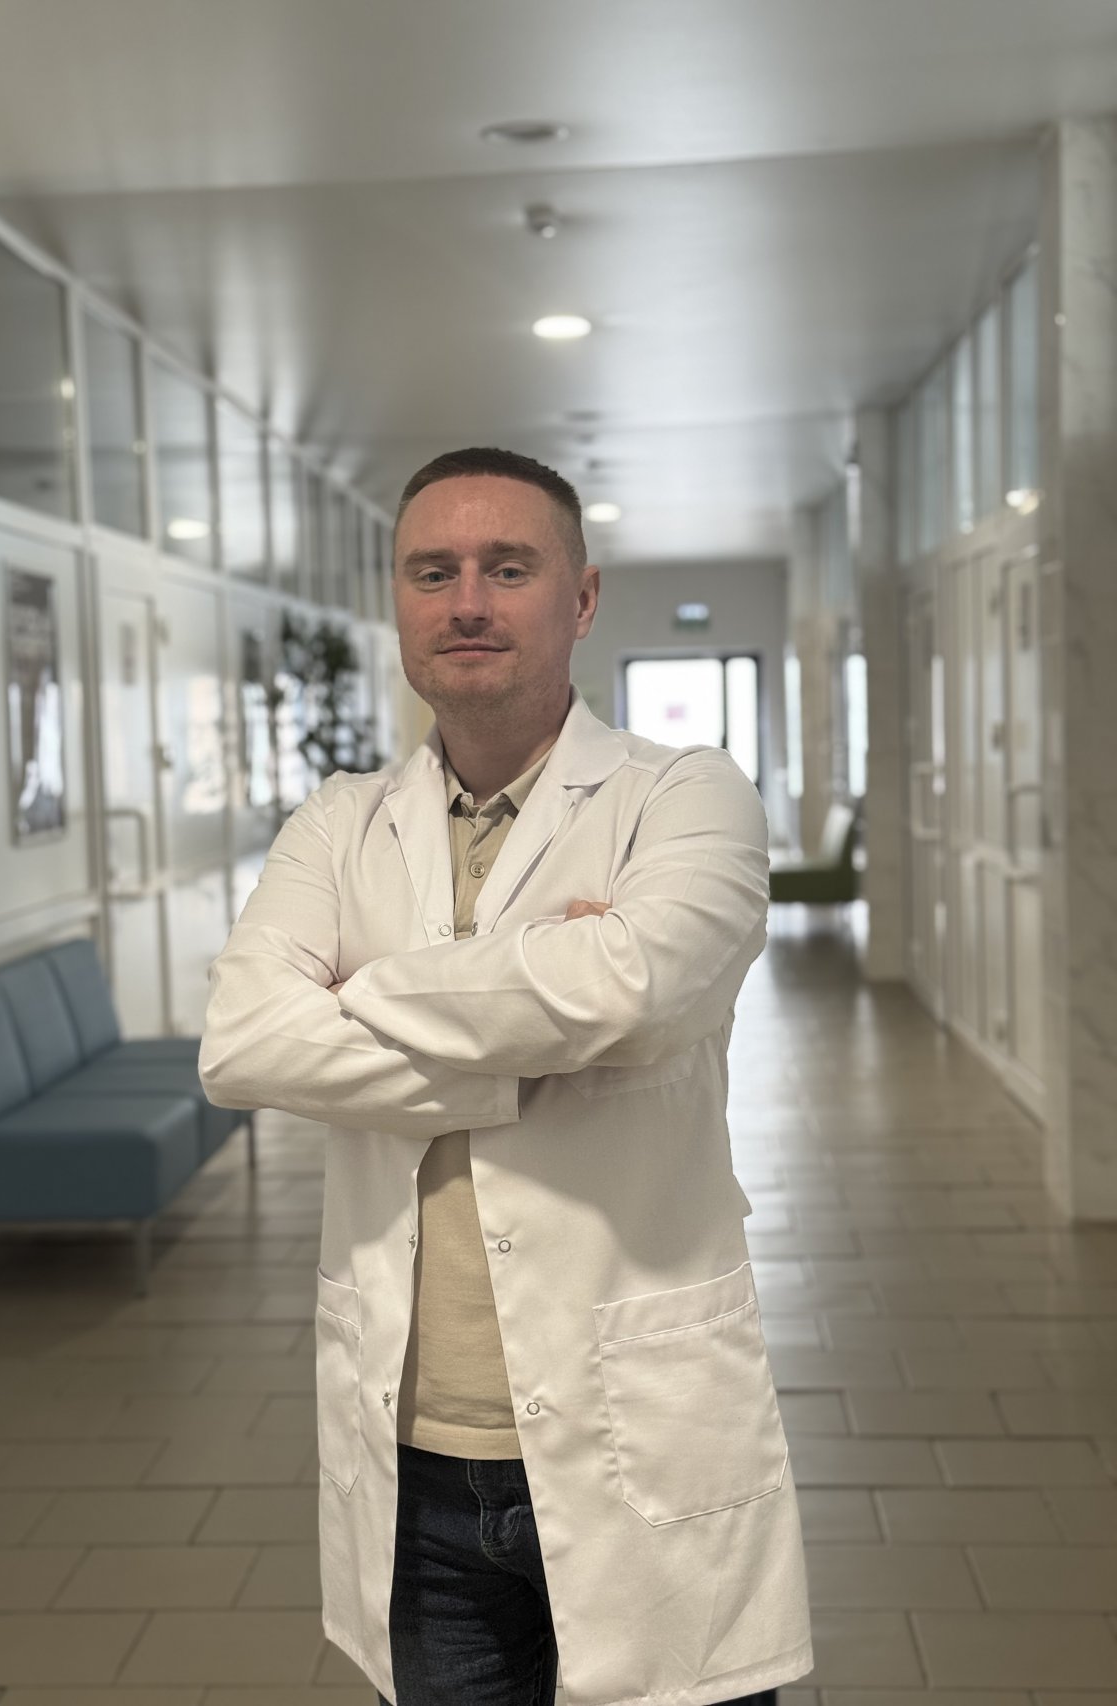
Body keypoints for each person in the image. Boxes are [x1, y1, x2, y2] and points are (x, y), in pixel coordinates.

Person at [199, 447, 812, 1706]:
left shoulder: (684, 797)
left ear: (579, 598)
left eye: (507, 567)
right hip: (418, 1458)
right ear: (397, 599)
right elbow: (242, 1041)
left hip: (637, 1423)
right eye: (433, 571)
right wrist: (531, 1036)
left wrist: (357, 991)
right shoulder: (337, 821)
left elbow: (634, 984)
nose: (466, 601)